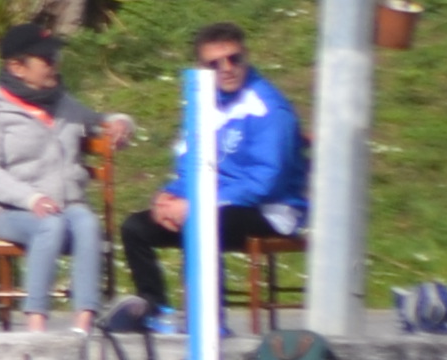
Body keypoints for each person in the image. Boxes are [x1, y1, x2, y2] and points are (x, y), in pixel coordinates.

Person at [119, 19, 309, 327]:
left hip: (270, 209)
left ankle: (209, 321)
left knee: (203, 221)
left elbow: (265, 181)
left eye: (235, 58)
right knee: (135, 228)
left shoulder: (269, 109)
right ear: (202, 67)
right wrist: (170, 196)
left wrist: (199, 204)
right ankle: (157, 309)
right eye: (215, 63)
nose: (227, 68)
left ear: (246, 56)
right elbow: (189, 163)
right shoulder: (202, 102)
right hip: (214, 201)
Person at [0, 23, 129, 332]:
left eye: (56, 56)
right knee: (49, 225)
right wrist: (30, 198)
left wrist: (121, 122)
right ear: (16, 66)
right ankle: (36, 322)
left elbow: (100, 121)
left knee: (87, 223)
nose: (55, 64)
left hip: (66, 204)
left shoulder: (63, 102)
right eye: (46, 59)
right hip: (7, 210)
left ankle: (85, 321)